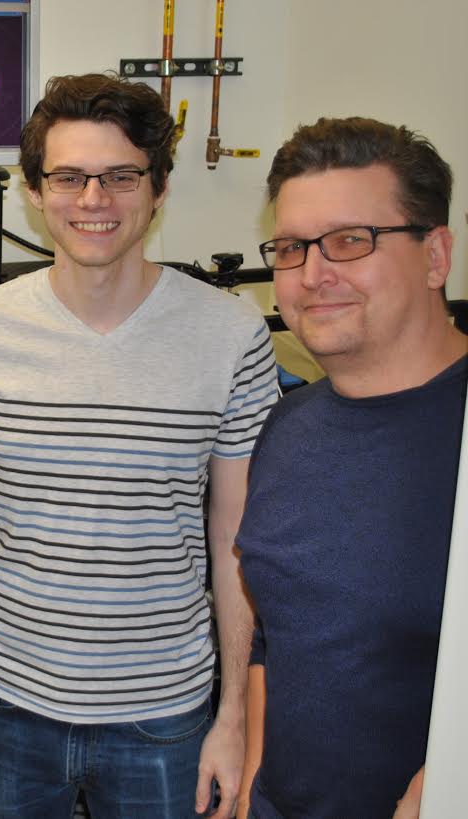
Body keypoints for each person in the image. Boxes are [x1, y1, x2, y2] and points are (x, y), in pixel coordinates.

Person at [0, 73, 280, 819]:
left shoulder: (232, 335)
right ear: (34, 188)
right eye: (70, 177)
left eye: (121, 176)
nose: (94, 200)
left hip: (165, 715)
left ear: (159, 187)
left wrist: (234, 718)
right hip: (5, 705)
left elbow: (237, 539)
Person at [236, 117, 465, 819]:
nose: (313, 274)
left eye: (349, 241)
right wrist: (250, 791)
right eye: (292, 247)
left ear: (435, 256)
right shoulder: (288, 425)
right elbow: (276, 636)